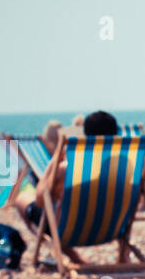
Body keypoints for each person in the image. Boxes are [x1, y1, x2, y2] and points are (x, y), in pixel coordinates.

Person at [16, 111, 120, 264]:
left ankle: (74, 257)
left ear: (85, 134)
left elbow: (40, 200)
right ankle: (123, 256)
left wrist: (58, 154)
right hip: (113, 228)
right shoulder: (126, 165)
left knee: (21, 199)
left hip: (71, 232)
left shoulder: (67, 168)